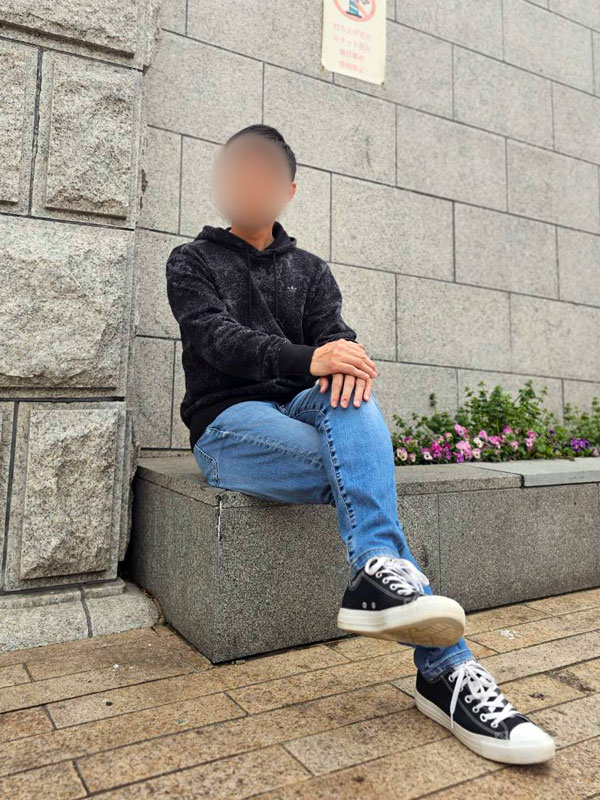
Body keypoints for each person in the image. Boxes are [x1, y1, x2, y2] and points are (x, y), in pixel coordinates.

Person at [165, 123, 555, 765]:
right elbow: (217, 340)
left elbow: (335, 341)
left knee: (353, 394)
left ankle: (379, 571)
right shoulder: (192, 261)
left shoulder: (311, 271)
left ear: (288, 190)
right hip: (229, 422)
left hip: (302, 406)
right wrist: (312, 359)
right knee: (360, 469)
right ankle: (446, 670)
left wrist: (346, 359)